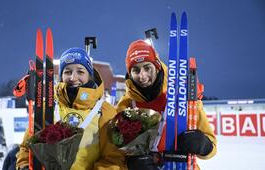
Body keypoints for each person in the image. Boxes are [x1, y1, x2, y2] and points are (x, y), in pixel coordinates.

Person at [16, 47, 126, 170]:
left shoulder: (105, 111)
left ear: (90, 76)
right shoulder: (47, 107)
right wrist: (25, 166)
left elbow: (114, 158)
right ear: (61, 76)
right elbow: (27, 148)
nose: (73, 78)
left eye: (80, 72)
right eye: (67, 72)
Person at [116, 39, 217, 169]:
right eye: (136, 70)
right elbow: (116, 155)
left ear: (157, 66)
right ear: (130, 74)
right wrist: (129, 164)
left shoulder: (182, 95)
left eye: (147, 68)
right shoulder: (126, 105)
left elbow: (212, 146)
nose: (142, 76)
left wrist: (204, 145)